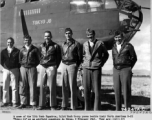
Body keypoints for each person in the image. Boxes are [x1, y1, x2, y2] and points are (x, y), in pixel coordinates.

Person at [82, 29, 109, 110]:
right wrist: (84, 64)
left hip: (96, 68)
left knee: (97, 90)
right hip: (86, 68)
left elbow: (106, 55)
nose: (90, 37)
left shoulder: (100, 44)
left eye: (91, 35)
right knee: (86, 90)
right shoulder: (85, 44)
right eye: (88, 36)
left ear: (94, 35)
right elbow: (83, 55)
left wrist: (101, 63)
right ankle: (87, 109)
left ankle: (96, 109)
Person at [112, 31, 137, 111]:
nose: (117, 39)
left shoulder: (128, 46)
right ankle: (118, 109)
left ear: (122, 37)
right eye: (116, 37)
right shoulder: (114, 47)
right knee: (116, 90)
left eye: (119, 37)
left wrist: (129, 67)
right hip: (116, 69)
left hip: (125, 69)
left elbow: (134, 58)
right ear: (114, 38)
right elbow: (113, 58)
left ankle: (127, 108)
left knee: (126, 90)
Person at [37, 31, 61, 110]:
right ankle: (41, 104)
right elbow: (39, 56)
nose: (47, 37)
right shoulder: (41, 46)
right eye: (45, 36)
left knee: (52, 86)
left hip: (51, 66)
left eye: (48, 36)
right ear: (44, 37)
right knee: (42, 86)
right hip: (43, 67)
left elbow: (58, 57)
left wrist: (55, 66)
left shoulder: (55, 46)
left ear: (51, 36)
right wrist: (41, 63)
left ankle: (53, 105)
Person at [61, 28, 82, 110]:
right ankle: (64, 105)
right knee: (64, 86)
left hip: (72, 65)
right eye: (66, 33)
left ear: (72, 34)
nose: (68, 35)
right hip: (64, 65)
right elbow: (62, 55)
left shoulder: (77, 44)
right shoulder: (63, 44)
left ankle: (73, 106)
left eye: (69, 33)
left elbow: (80, 57)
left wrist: (76, 64)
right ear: (64, 34)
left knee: (72, 86)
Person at [18, 35, 40, 109]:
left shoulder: (35, 49)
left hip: (32, 68)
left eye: (28, 40)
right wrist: (23, 65)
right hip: (23, 68)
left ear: (31, 40)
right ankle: (23, 103)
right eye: (25, 40)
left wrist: (33, 65)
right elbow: (20, 59)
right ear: (24, 41)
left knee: (32, 85)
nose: (26, 41)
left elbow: (38, 59)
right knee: (22, 85)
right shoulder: (21, 49)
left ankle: (33, 103)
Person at [0, 37, 20, 107]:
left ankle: (15, 102)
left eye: (11, 42)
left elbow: (19, 61)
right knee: (5, 86)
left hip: (14, 69)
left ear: (13, 43)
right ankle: (5, 101)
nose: (9, 43)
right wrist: (6, 66)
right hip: (6, 70)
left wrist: (15, 66)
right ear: (6, 43)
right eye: (8, 42)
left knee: (14, 86)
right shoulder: (3, 51)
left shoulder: (17, 51)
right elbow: (1, 61)